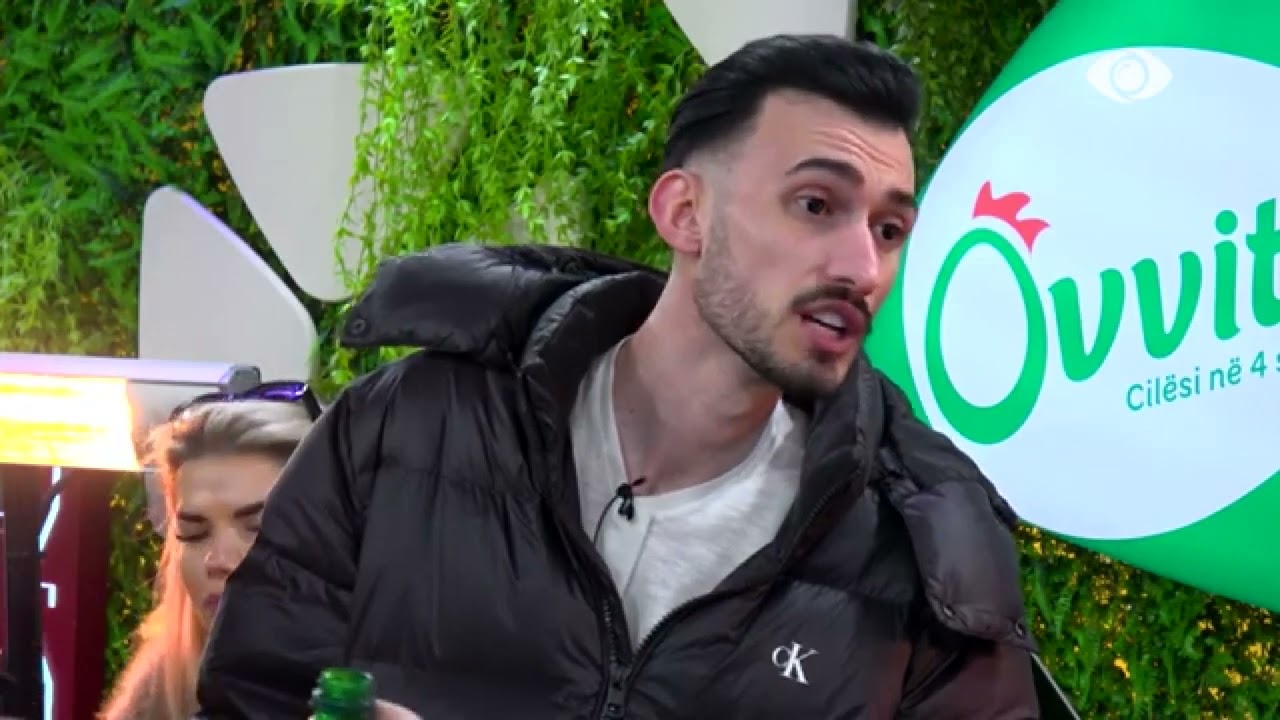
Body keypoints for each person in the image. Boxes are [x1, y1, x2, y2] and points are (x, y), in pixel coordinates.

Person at [198, 34, 1040, 718]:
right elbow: (249, 698)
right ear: (684, 213)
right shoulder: (408, 429)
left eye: (889, 230)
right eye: (816, 205)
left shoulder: (926, 558)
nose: (862, 266)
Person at [99, 398, 314, 719]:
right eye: (194, 532)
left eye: (259, 527)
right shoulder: (158, 691)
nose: (218, 560)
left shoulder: (388, 680)